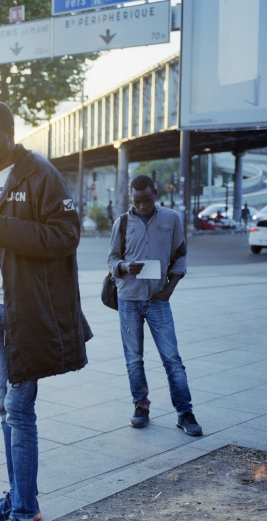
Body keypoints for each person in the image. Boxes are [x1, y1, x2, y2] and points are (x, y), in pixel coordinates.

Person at [0, 102, 92, 521]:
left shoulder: (41, 174)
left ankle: (26, 520)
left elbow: (66, 235)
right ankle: (19, 495)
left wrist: (3, 227)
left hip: (27, 310)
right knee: (4, 408)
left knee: (19, 410)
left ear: (11, 135)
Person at [107, 174, 202, 437]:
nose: (142, 206)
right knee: (134, 360)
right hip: (129, 299)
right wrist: (124, 266)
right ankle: (141, 407)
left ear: (156, 193)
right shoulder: (122, 223)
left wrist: (168, 290)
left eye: (146, 200)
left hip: (158, 300)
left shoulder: (171, 219)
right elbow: (112, 260)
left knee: (172, 359)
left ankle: (185, 413)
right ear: (131, 198)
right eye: (137, 201)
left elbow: (181, 258)